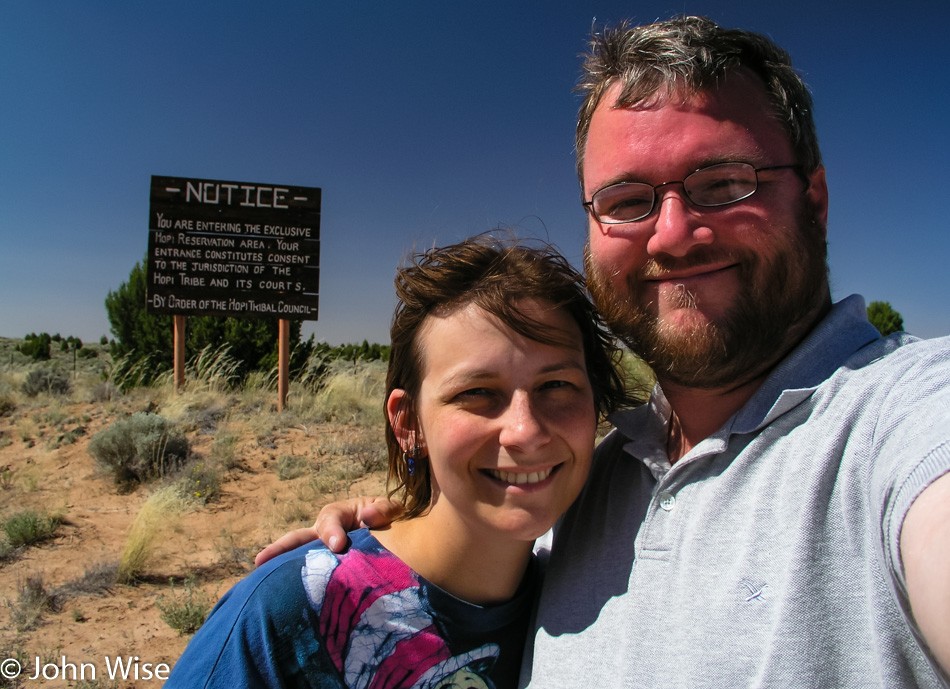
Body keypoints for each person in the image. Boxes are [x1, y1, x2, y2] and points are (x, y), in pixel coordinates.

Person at [257, 15, 950, 688]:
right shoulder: (583, 482)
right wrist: (383, 548)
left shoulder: (907, 422)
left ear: (815, 201)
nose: (673, 234)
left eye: (726, 183)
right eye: (627, 200)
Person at [165, 236, 633, 688]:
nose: (526, 430)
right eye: (476, 393)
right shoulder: (290, 613)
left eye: (557, 385)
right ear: (408, 424)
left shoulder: (591, 594)